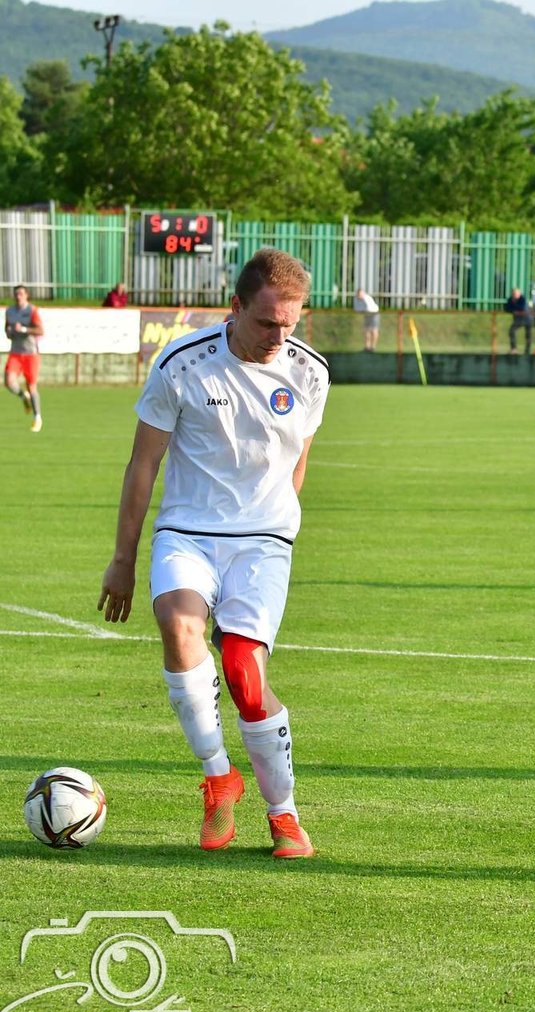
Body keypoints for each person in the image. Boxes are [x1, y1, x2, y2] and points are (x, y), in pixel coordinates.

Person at [97, 248, 328, 859]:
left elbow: (297, 459)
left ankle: (284, 813)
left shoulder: (310, 373)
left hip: (264, 541)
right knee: (179, 626)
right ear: (235, 307)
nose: (279, 336)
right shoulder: (183, 364)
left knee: (246, 676)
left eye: (290, 323)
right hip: (189, 531)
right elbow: (142, 464)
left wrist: (279, 528)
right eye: (267, 322)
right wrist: (122, 559)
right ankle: (219, 776)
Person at [6, 285, 44, 432]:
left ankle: (37, 418)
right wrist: (9, 331)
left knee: (32, 386)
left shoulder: (32, 310)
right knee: (9, 382)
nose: (18, 296)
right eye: (16, 294)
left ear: (27, 295)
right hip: (15, 352)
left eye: (21, 294)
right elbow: (7, 329)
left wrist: (23, 329)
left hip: (30, 353)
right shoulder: (10, 311)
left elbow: (40, 330)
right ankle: (23, 397)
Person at [504, 287, 532, 356]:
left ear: (519, 294)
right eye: (513, 294)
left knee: (528, 335)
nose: (514, 295)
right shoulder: (510, 300)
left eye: (516, 294)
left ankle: (527, 351)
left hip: (527, 318)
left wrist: (513, 308)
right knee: (511, 331)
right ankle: (513, 349)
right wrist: (513, 310)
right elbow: (506, 308)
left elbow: (521, 308)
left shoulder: (522, 299)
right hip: (518, 319)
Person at [353, 287, 380, 353]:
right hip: (366, 315)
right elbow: (356, 309)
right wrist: (362, 311)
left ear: (363, 293)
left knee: (374, 330)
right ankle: (367, 347)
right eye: (359, 294)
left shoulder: (367, 298)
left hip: (374, 314)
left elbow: (369, 309)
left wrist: (362, 311)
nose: (360, 296)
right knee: (366, 330)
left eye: (361, 294)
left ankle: (373, 347)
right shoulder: (356, 299)